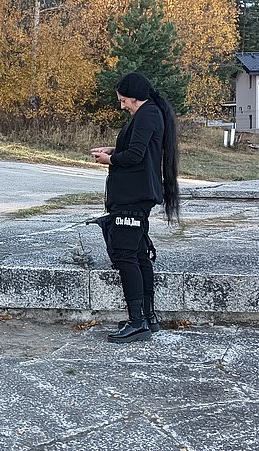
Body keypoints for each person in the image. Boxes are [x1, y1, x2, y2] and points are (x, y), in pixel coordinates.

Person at [90, 72, 180, 344]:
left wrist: (110, 160)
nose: (122, 106)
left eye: (123, 100)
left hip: (133, 196)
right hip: (137, 195)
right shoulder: (149, 114)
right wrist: (112, 149)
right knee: (139, 255)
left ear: (135, 97)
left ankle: (137, 322)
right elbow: (139, 148)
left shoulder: (147, 114)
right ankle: (147, 317)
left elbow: (135, 156)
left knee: (126, 256)